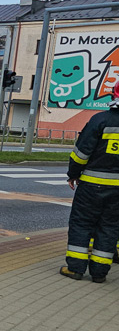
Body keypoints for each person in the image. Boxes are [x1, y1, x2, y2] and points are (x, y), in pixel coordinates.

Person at [61, 81, 119, 283]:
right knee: (110, 227)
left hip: (91, 187)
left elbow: (80, 154)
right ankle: (100, 273)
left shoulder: (99, 120)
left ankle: (75, 268)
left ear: (114, 95)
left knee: (82, 224)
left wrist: (73, 174)